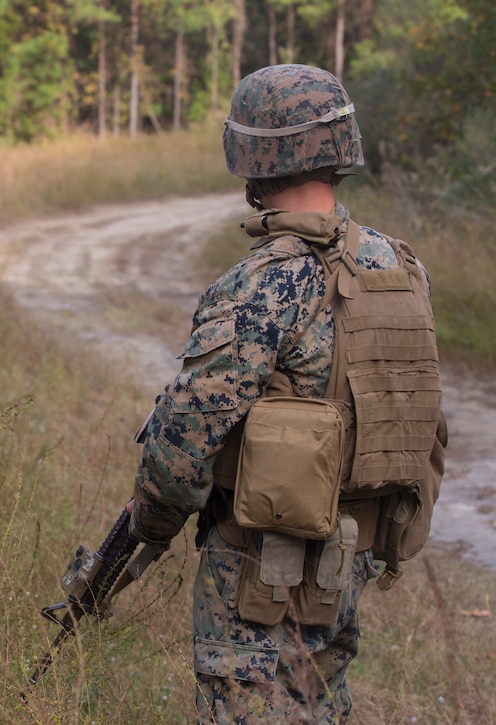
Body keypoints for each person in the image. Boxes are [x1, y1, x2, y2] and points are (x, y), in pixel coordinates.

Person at [123, 64, 447, 722]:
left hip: (254, 580)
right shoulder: (399, 267)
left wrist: (148, 528)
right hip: (348, 563)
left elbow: (183, 447)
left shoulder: (262, 282)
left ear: (252, 156)